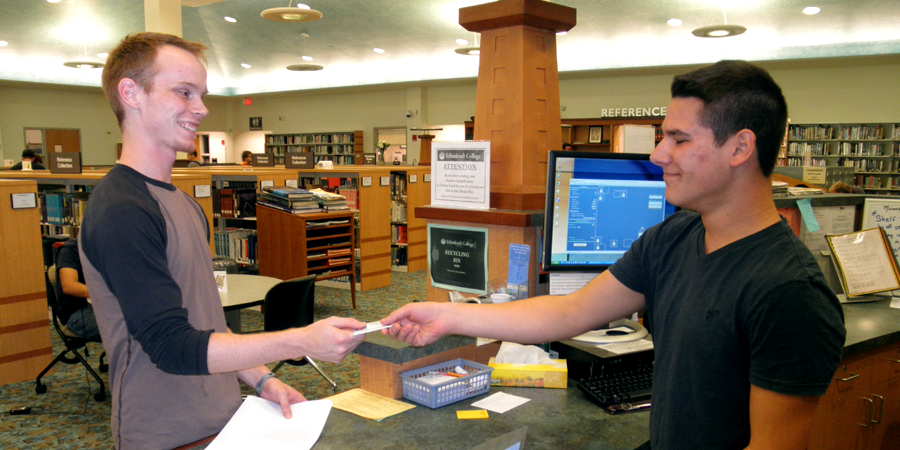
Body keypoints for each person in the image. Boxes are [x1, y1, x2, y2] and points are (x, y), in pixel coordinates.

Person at [382, 60, 846, 450]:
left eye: (679, 140)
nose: (660, 154)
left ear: (741, 147)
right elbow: (568, 312)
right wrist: (447, 317)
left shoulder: (788, 292)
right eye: (663, 137)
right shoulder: (672, 238)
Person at [79, 32, 366, 450]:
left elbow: (207, 320)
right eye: (184, 92)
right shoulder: (121, 209)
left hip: (224, 420)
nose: (201, 108)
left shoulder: (182, 202)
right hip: (163, 433)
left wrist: (262, 378)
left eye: (201, 94)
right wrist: (300, 339)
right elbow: (172, 345)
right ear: (131, 94)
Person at [55, 239, 101, 341]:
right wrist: (106, 293)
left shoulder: (106, 249)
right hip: (76, 313)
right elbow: (69, 286)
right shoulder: (70, 250)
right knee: (124, 328)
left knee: (139, 322)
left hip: (101, 306)